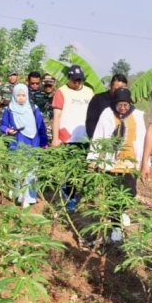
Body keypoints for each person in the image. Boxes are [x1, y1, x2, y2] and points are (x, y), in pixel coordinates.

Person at [87, 87, 145, 242]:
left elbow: (143, 139)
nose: (123, 108)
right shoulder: (107, 113)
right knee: (113, 196)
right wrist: (93, 159)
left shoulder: (138, 116)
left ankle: (122, 211)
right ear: (114, 103)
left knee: (130, 192)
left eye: (126, 104)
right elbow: (98, 136)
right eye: (120, 104)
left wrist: (147, 163)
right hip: (111, 163)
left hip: (130, 162)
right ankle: (116, 227)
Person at [51, 64, 94, 210]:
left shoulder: (89, 92)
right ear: (68, 78)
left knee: (82, 170)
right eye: (74, 79)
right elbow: (56, 116)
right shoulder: (61, 92)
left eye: (79, 80)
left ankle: (78, 197)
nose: (77, 83)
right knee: (69, 171)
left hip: (85, 137)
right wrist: (55, 138)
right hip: (67, 138)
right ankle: (69, 199)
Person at [0, 84, 48, 207]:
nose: (21, 98)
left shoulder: (33, 108)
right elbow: (3, 125)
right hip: (17, 142)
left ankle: (30, 197)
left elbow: (41, 126)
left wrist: (44, 142)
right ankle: (19, 196)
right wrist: (8, 131)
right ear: (14, 96)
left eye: (23, 95)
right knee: (18, 169)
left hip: (33, 142)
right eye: (18, 95)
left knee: (32, 169)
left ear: (27, 96)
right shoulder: (9, 109)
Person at [86, 73, 128, 139]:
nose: (119, 92)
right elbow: (91, 122)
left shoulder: (127, 102)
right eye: (116, 89)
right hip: (102, 140)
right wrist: (94, 142)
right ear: (110, 86)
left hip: (120, 141)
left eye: (122, 89)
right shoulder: (98, 99)